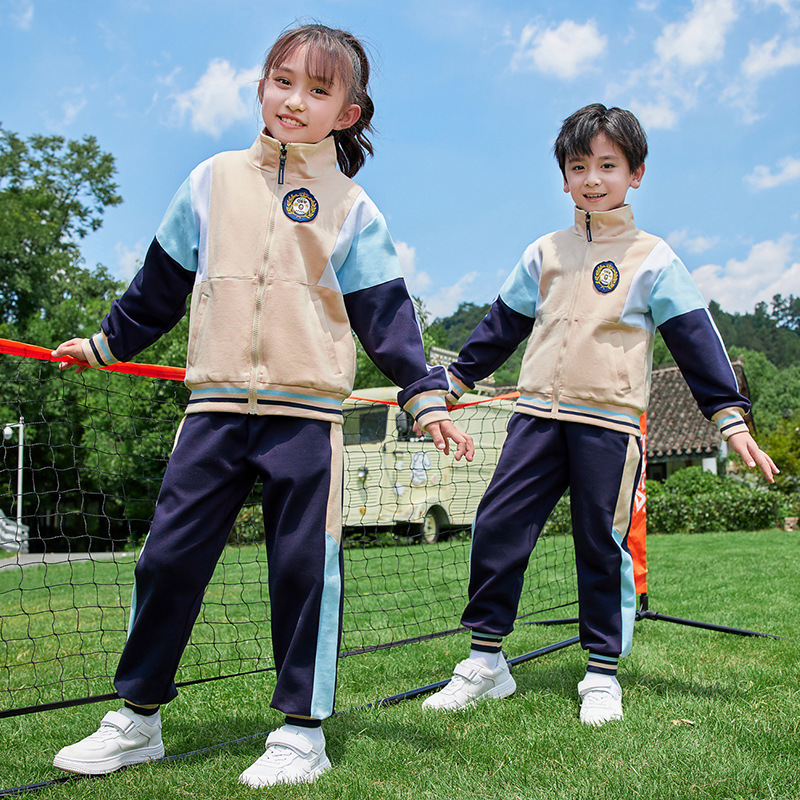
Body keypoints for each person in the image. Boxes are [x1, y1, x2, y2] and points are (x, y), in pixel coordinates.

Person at [50, 23, 473, 788]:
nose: (295, 100)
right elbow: (157, 286)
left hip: (306, 418)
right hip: (211, 409)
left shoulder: (352, 206)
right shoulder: (210, 179)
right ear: (261, 85)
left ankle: (301, 735)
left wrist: (426, 395)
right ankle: (136, 719)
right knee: (167, 560)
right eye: (284, 81)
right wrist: (106, 344)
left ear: (346, 111)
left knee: (305, 570)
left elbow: (387, 314)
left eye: (318, 90)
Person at [422, 103, 777, 726]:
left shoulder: (653, 257)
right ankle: (485, 661)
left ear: (635, 173)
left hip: (609, 427)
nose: (592, 178)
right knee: (497, 526)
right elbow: (500, 326)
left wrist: (729, 416)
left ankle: (601, 672)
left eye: (608, 165)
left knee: (600, 544)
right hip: (534, 417)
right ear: (563, 177)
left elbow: (696, 338)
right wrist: (453, 379)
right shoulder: (545, 252)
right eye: (579, 165)